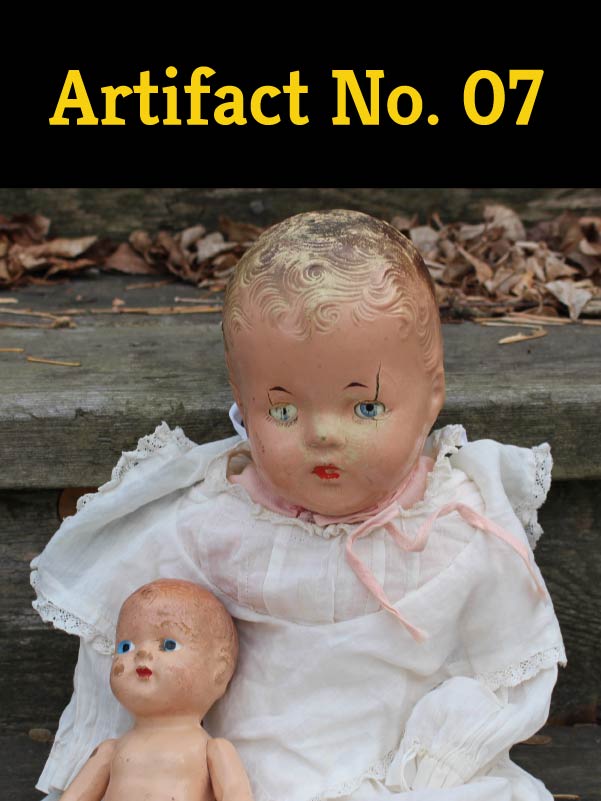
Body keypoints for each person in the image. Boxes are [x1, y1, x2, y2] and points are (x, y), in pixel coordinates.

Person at [31, 209, 565, 800]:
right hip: (243, 773)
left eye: (365, 408)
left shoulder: (456, 521)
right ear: (243, 403)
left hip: (402, 766)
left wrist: (432, 769)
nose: (323, 435)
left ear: (432, 393)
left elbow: (506, 665)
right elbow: (124, 635)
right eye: (283, 411)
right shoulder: (214, 519)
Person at [59, 578, 253, 801]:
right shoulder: (110, 751)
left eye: (168, 645)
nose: (142, 653)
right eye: (126, 646)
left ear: (219, 670)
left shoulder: (214, 750)